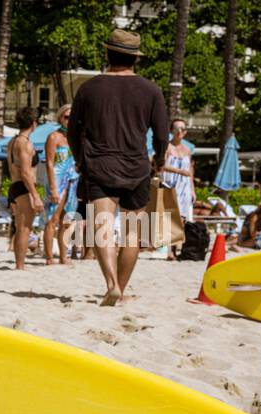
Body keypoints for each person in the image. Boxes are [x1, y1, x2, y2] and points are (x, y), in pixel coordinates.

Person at [67, 29, 167, 306]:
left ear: (107, 53)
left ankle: (111, 284)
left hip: (99, 165)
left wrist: (79, 159)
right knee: (133, 233)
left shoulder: (89, 88)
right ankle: (119, 289)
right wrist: (159, 160)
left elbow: (73, 133)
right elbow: (161, 135)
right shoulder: (151, 90)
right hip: (137, 167)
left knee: (102, 228)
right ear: (136, 59)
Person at [7, 107, 44, 270]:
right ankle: (20, 265)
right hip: (24, 187)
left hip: (15, 186)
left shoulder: (12, 140)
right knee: (24, 228)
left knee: (21, 226)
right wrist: (35, 195)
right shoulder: (25, 143)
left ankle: (19, 264)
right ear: (34, 123)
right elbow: (26, 172)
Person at [42, 105, 78, 265]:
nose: (70, 120)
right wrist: (53, 188)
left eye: (72, 117)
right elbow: (49, 163)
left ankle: (64, 256)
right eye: (66, 117)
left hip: (73, 181)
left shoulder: (76, 137)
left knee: (67, 220)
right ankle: (49, 256)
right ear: (60, 118)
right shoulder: (53, 137)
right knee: (52, 219)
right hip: (57, 181)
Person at [160, 118, 196, 260]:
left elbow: (190, 172)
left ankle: (175, 249)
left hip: (184, 187)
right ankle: (169, 251)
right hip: (170, 186)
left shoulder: (187, 150)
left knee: (181, 220)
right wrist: (179, 171)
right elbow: (161, 165)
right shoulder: (167, 147)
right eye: (177, 128)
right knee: (170, 218)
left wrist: (193, 190)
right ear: (171, 131)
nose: (180, 131)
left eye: (182, 128)